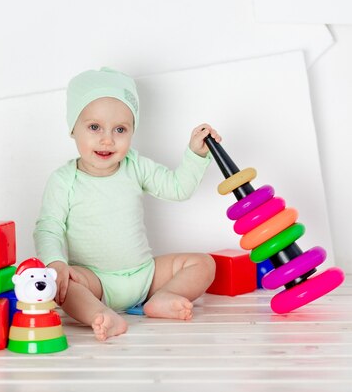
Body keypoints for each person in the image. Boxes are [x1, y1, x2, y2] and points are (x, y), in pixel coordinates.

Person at [33, 67, 220, 341]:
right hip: (95, 282)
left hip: (146, 276)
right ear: (73, 128)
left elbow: (178, 189)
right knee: (63, 287)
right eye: (94, 127)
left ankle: (164, 297)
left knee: (204, 264)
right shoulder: (64, 180)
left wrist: (195, 154)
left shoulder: (135, 166)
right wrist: (56, 263)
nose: (107, 139)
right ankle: (100, 314)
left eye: (120, 129)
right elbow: (48, 229)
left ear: (132, 131)